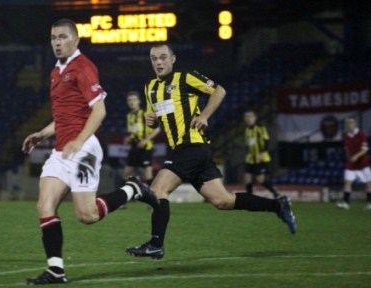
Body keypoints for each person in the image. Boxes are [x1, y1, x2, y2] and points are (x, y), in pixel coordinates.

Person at [125, 43, 296, 260]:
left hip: (192, 145)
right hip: (187, 150)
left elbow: (219, 91)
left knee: (158, 189)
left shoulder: (185, 77)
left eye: (163, 57)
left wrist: (204, 115)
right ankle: (278, 205)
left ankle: (156, 244)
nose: (158, 62)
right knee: (223, 201)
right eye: (154, 58)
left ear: (173, 59)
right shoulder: (150, 88)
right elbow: (155, 119)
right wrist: (150, 121)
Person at [22, 19, 158, 285]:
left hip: (84, 149)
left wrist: (79, 140)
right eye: (53, 37)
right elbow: (64, 115)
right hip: (62, 151)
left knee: (87, 215)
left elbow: (100, 110)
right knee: (44, 205)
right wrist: (42, 134)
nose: (57, 42)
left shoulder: (83, 67)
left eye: (62, 37)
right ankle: (56, 270)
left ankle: (134, 190)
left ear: (76, 40)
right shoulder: (55, 71)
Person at [336, 117, 371, 210]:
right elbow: (346, 148)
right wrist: (349, 157)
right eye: (348, 123)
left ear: (355, 123)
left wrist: (356, 156)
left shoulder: (361, 134)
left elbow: (365, 149)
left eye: (351, 122)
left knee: (368, 183)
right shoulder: (345, 135)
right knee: (347, 182)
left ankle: (369, 203)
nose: (350, 124)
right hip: (351, 164)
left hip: (363, 164)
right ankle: (346, 203)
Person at [123, 91, 161, 184]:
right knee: (126, 173)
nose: (132, 102)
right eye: (129, 100)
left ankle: (154, 196)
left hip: (145, 147)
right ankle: (125, 195)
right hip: (134, 147)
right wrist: (128, 138)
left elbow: (157, 129)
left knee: (147, 174)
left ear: (139, 101)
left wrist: (145, 140)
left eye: (134, 99)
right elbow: (132, 131)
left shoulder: (144, 114)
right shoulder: (129, 116)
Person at [243, 110, 280, 198]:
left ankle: (276, 193)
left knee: (260, 180)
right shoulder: (247, 130)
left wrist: (262, 152)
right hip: (250, 158)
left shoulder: (260, 127)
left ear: (255, 117)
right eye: (246, 116)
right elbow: (248, 143)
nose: (248, 118)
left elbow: (266, 140)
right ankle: (249, 197)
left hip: (261, 157)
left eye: (250, 116)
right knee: (247, 177)